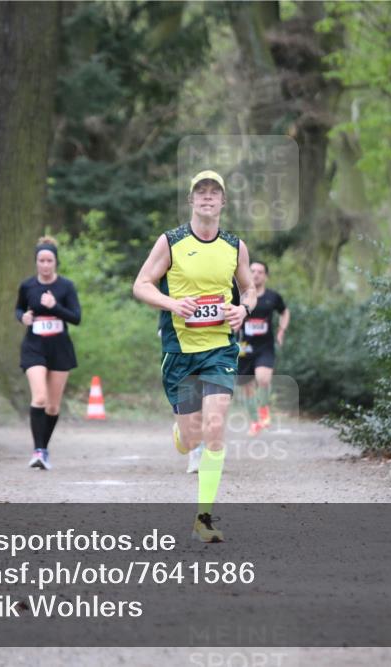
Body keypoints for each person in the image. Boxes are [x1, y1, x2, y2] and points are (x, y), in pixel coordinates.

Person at [133, 170, 256, 542]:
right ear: (191, 200)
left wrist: (244, 309)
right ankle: (182, 435)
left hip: (219, 349)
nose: (207, 197)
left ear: (223, 202)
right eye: (200, 191)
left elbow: (249, 288)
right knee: (191, 438)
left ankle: (204, 518)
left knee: (215, 428)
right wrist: (173, 304)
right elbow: (141, 285)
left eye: (214, 192)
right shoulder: (171, 242)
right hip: (180, 352)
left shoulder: (235, 246)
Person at [15, 236, 81, 470]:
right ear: (36, 262)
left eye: (49, 260)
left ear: (55, 262)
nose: (45, 265)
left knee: (52, 406)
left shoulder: (66, 287)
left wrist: (55, 307)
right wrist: (22, 317)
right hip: (34, 347)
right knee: (40, 398)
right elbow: (19, 308)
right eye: (41, 260)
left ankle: (43, 449)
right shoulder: (27, 286)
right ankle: (38, 451)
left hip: (59, 349)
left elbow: (76, 318)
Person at [236, 261, 289, 435]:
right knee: (247, 386)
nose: (256, 274)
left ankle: (264, 410)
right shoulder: (240, 296)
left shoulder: (273, 297)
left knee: (263, 379)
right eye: (252, 271)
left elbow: (284, 312)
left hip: (265, 346)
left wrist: (281, 330)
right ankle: (254, 421)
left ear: (266, 276)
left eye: (260, 272)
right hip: (244, 346)